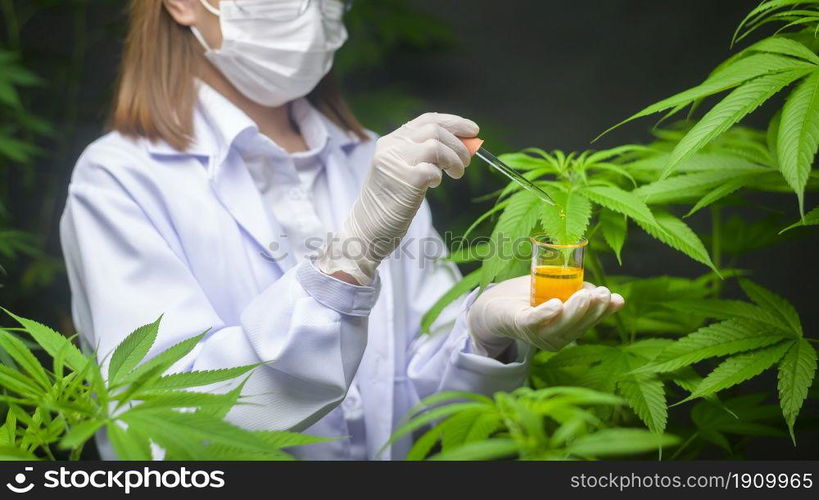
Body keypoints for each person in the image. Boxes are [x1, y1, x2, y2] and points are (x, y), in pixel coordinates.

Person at [60, 0, 624, 460]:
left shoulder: (373, 160)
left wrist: (481, 336)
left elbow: (425, 420)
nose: (311, 11)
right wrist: (350, 257)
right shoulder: (120, 179)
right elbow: (176, 425)